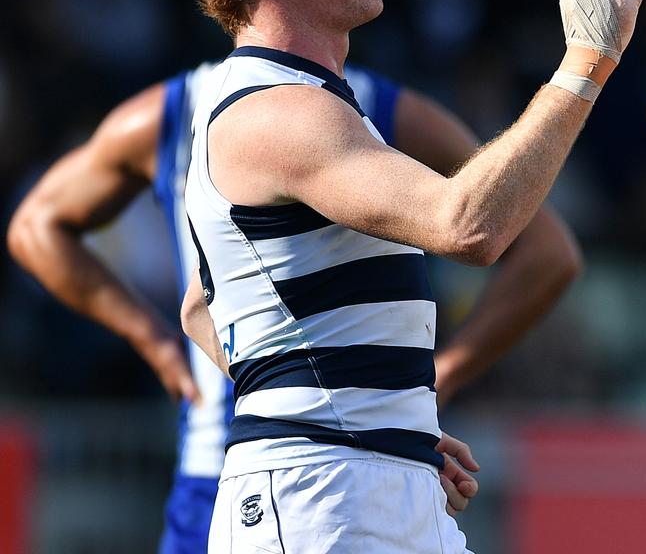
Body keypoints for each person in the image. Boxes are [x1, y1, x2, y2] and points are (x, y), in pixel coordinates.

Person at [168, 0, 640, 550]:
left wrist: (381, 416)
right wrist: (586, 62)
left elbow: (202, 307)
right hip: (323, 495)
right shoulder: (278, 109)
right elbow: (468, 225)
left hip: (351, 480)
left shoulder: (292, 100)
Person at [7, 59, 582, 552]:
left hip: (297, 470)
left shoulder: (180, 108)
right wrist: (148, 339)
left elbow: (535, 246)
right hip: (273, 476)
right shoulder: (381, 108)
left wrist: (415, 400)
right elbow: (38, 227)